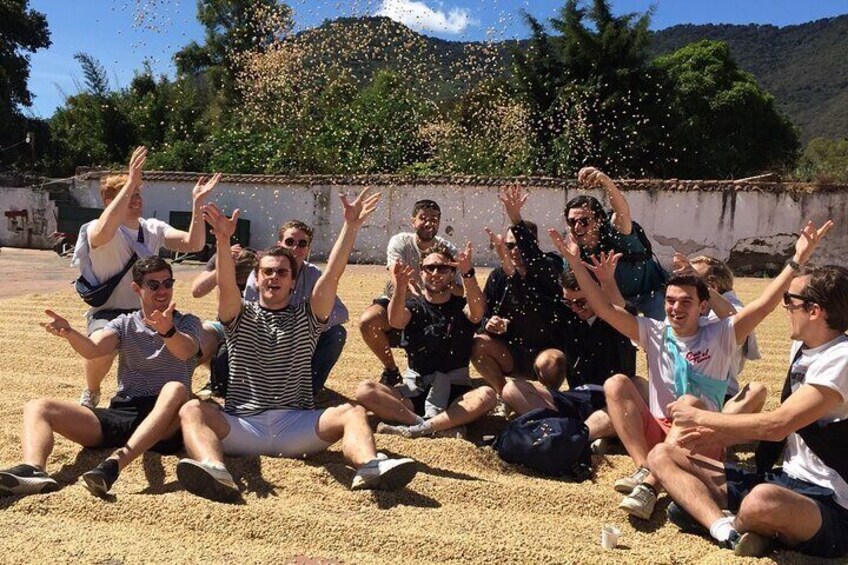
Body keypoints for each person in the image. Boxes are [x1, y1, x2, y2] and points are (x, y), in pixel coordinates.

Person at [549, 222, 824, 521]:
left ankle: (650, 486)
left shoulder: (720, 334)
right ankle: (645, 467)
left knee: (689, 404)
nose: (675, 308)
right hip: (658, 429)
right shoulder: (654, 332)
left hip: (701, 438)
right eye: (669, 301)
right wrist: (575, 264)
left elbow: (763, 305)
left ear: (703, 305)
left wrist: (796, 261)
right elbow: (604, 309)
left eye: (685, 302)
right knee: (617, 383)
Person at [176, 190, 418, 503]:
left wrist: (351, 226)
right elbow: (224, 284)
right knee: (191, 408)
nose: (274, 277)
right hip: (243, 426)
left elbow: (333, 272)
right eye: (267, 272)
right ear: (257, 277)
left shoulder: (308, 315)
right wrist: (223, 240)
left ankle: (369, 466)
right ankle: (214, 469)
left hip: (296, 425)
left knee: (352, 412)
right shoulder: (237, 315)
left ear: (293, 281)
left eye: (282, 272)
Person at [648, 226, 848, 559]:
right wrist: (798, 259)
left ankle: (721, 516)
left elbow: (777, 425)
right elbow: (765, 303)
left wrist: (702, 420)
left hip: (830, 499)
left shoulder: (841, 358)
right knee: (662, 456)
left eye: (792, 302)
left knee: (761, 501)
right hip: (784, 477)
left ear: (815, 311)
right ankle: (724, 528)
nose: (785, 307)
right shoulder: (804, 344)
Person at [0, 257, 201, 498]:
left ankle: (114, 464)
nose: (163, 290)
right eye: (153, 285)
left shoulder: (187, 322)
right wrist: (70, 333)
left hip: (166, 422)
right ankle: (34, 470)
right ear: (137, 288)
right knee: (38, 407)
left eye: (167, 283)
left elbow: (185, 350)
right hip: (125, 412)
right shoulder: (124, 323)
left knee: (176, 388)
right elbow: (93, 350)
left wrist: (167, 330)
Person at [72, 146, 219, 409]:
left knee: (202, 339)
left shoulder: (152, 228)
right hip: (109, 311)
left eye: (138, 193)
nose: (136, 198)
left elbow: (193, 243)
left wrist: (197, 204)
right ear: (109, 202)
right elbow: (104, 230)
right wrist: (130, 180)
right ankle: (92, 392)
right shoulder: (96, 229)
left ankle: (180, 388)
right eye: (129, 193)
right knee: (99, 348)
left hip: (149, 310)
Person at [355, 244, 496, 439]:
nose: (435, 273)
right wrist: (400, 288)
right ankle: (431, 426)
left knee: (487, 395)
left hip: (456, 393)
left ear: (452, 273)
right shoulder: (414, 307)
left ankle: (416, 429)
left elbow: (477, 313)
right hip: (415, 392)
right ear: (421, 273)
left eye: (442, 268)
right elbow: (395, 320)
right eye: (429, 268)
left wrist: (468, 273)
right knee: (364, 390)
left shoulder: (462, 306)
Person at [198, 220, 349, 397]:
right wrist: (223, 242)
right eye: (290, 242)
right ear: (280, 244)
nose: (295, 248)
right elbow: (244, 313)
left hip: (301, 340)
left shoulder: (314, 275)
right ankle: (225, 384)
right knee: (230, 345)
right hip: (263, 336)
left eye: (302, 244)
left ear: (308, 249)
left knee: (336, 333)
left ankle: (309, 391)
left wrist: (309, 323)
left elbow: (341, 311)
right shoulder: (260, 272)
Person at [501, 261, 637, 451]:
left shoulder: (618, 318)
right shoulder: (568, 316)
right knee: (511, 390)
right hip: (576, 397)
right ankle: (574, 434)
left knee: (633, 400)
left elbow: (624, 309)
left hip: (610, 399)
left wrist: (607, 282)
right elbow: (532, 297)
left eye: (581, 301)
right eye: (569, 302)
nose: (575, 308)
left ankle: (575, 435)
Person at [472, 186, 566, 398]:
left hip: (545, 350)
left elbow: (534, 271)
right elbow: (484, 311)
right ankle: (506, 395)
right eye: (508, 246)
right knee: (478, 345)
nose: (513, 251)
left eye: (518, 245)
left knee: (554, 362)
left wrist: (516, 218)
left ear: (533, 244)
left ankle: (550, 399)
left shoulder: (550, 265)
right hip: (512, 351)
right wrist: (490, 323)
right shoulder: (498, 275)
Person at [359, 199, 461, 386]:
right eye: (423, 218)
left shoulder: (449, 250)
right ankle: (391, 370)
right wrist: (406, 285)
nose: (429, 223)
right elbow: (395, 275)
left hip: (432, 306)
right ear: (413, 221)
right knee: (368, 322)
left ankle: (444, 372)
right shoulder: (400, 242)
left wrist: (441, 282)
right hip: (398, 300)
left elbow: (460, 291)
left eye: (434, 219)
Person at [564, 167, 667, 320]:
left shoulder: (616, 232)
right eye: (572, 222)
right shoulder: (573, 249)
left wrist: (606, 182)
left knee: (657, 338)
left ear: (598, 220)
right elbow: (573, 287)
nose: (577, 227)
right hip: (614, 300)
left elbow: (622, 212)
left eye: (584, 221)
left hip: (649, 295)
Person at [674, 253, 767, 414]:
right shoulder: (690, 307)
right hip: (681, 394)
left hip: (719, 398)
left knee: (754, 390)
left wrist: (701, 287)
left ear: (713, 287)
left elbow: (735, 320)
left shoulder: (732, 309)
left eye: (693, 280)